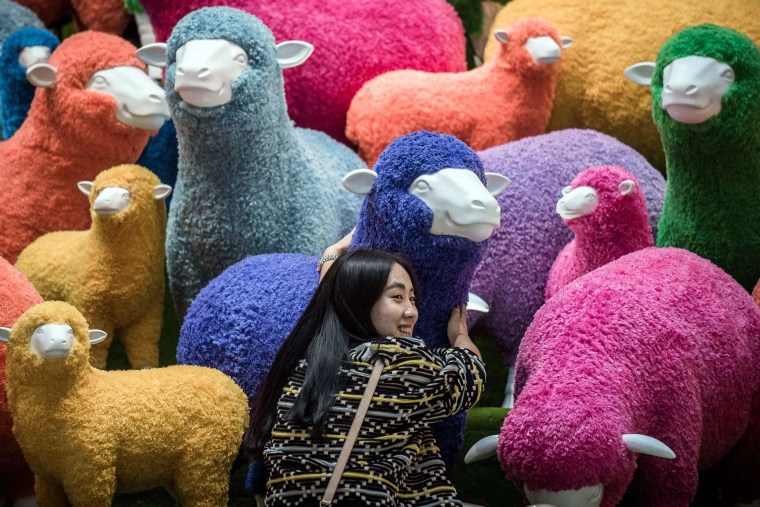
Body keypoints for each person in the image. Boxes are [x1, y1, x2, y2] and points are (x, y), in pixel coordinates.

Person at [246, 249, 485, 506]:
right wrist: (461, 336)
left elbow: (335, 305)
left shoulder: (299, 365)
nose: (412, 312)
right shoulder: (399, 362)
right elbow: (471, 375)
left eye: (413, 299)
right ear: (359, 300)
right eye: (397, 297)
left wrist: (329, 258)